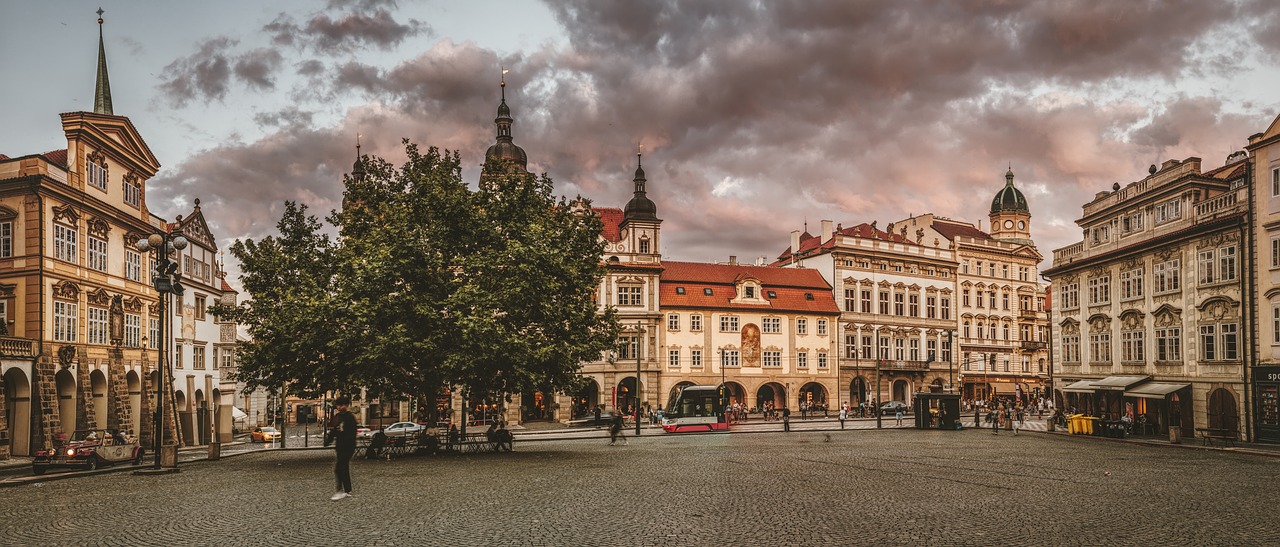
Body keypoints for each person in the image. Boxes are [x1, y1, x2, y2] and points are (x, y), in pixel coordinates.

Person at [328, 396, 357, 501]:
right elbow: (334, 430)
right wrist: (329, 440)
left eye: (341, 405)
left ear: (346, 405)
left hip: (348, 447)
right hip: (340, 447)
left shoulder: (350, 418)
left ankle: (340, 490)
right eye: (338, 406)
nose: (340, 408)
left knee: (340, 468)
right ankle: (347, 490)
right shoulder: (338, 416)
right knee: (343, 467)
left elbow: (351, 433)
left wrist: (347, 441)